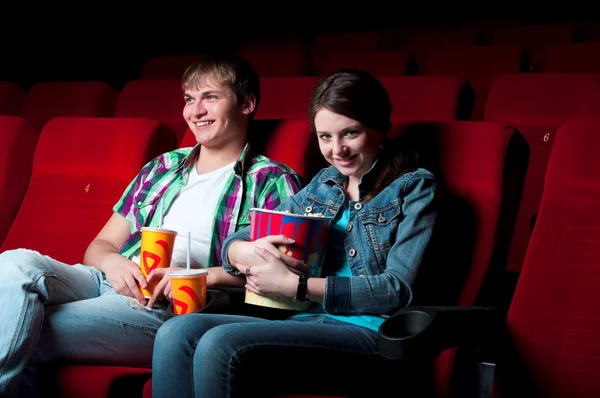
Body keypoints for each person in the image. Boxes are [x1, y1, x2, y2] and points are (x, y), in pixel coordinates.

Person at [0, 53, 302, 397]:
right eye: (190, 99)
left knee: (21, 327)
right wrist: (112, 262)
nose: (196, 111)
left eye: (211, 97)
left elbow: (278, 282)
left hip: (169, 306)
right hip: (106, 280)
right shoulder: (162, 166)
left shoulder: (273, 181)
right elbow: (98, 247)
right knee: (12, 265)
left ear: (247, 103)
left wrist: (199, 278)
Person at [151, 69, 438, 398]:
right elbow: (241, 237)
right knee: (176, 331)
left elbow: (396, 290)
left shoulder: (414, 187)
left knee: (219, 344)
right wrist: (240, 251)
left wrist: (296, 287)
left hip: (372, 331)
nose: (337, 149)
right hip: (309, 321)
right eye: (325, 137)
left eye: (351, 133)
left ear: (379, 127)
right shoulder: (324, 184)